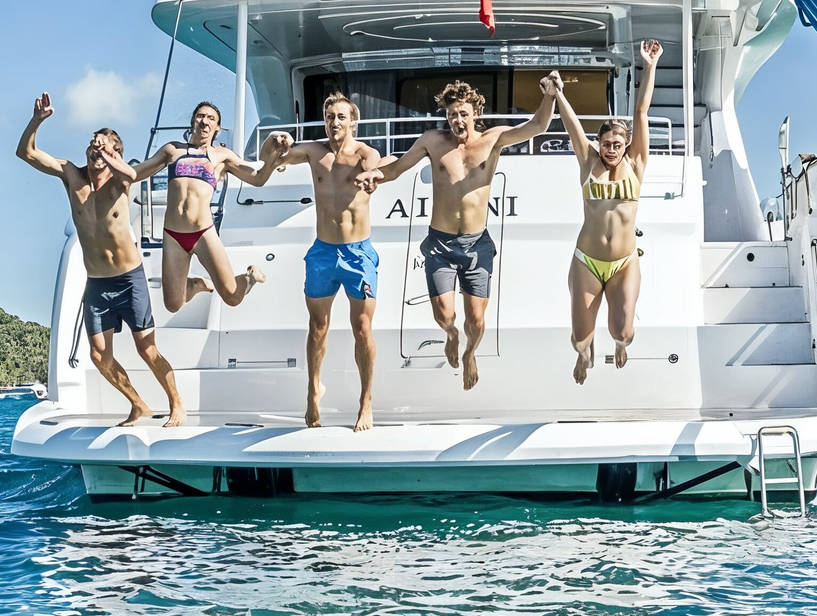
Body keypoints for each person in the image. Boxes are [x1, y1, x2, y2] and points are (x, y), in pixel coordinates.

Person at [358, 77, 559, 391]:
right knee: (444, 315)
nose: (457, 120)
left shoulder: (494, 138)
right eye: (452, 114)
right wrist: (375, 175)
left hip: (477, 244)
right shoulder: (432, 141)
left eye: (463, 113)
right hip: (440, 242)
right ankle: (451, 335)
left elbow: (537, 126)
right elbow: (397, 167)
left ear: (475, 113)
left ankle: (470, 352)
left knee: (477, 319)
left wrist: (549, 96)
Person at [16, 93, 183, 427]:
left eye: (104, 146)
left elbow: (151, 164)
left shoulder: (123, 179)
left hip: (128, 279)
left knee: (146, 350)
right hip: (97, 284)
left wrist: (114, 157)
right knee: (98, 355)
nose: (96, 149)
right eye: (93, 144)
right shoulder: (71, 176)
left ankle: (177, 403)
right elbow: (26, 153)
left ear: (115, 154)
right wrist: (38, 120)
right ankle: (138, 404)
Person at [263, 92, 384, 431]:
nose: (334, 123)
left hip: (358, 254)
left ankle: (366, 402)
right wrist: (276, 140)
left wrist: (371, 176)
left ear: (353, 122)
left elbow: (379, 164)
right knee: (318, 327)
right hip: (322, 252)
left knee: (362, 329)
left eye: (341, 117)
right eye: (330, 117)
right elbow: (269, 160)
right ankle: (313, 388)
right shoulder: (314, 153)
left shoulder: (364, 154)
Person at [550, 41, 661, 382]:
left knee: (624, 332)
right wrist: (558, 93)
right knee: (577, 339)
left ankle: (619, 345)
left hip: (624, 262)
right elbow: (571, 125)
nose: (611, 150)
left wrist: (650, 65)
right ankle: (586, 354)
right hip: (587, 260)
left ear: (626, 145)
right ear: (598, 144)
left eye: (617, 145)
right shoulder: (588, 162)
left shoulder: (636, 163)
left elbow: (640, 112)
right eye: (606, 144)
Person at [134, 101, 285, 315]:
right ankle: (195, 285)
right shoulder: (173, 149)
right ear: (193, 121)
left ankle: (250, 277)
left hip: (203, 233)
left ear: (217, 128)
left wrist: (274, 157)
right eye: (200, 116)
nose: (205, 121)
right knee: (173, 305)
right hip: (173, 235)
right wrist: (107, 169)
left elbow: (258, 177)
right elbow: (136, 173)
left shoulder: (221, 156)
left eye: (211, 118)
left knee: (232, 297)